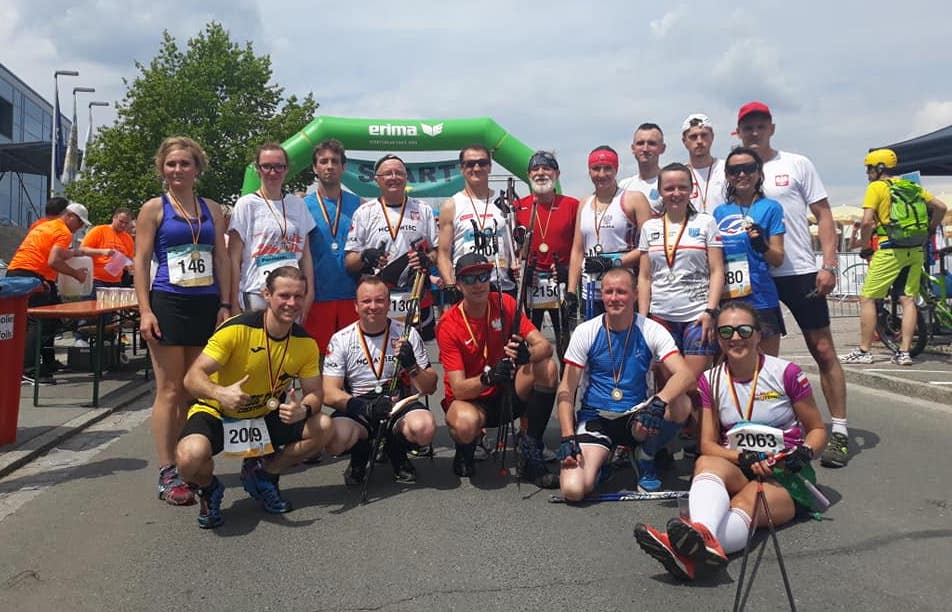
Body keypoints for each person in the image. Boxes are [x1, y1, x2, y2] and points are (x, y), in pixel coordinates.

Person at [634, 301, 827, 581]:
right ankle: (701, 539)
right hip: (740, 466)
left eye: (744, 330)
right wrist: (744, 458)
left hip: (784, 473)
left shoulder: (786, 373)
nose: (735, 338)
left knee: (748, 500)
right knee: (706, 462)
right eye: (726, 332)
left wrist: (805, 453)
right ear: (718, 338)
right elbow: (708, 445)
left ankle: (683, 549)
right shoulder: (710, 380)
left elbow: (817, 429)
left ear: (758, 335)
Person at [735, 101, 849, 468]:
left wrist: (828, 264)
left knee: (823, 349)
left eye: (760, 126)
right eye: (747, 127)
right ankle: (771, 430)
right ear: (739, 132)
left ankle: (839, 430)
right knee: (761, 359)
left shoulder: (797, 164)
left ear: (771, 128)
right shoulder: (735, 169)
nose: (754, 132)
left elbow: (824, 214)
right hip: (756, 275)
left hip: (799, 271)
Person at [176, 266, 333, 529]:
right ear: (267, 295)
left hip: (264, 415)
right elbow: (192, 377)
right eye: (284, 295)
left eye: (298, 296)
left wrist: (303, 410)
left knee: (323, 426)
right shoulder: (237, 329)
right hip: (219, 413)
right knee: (188, 458)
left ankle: (264, 475)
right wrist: (220, 393)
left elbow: (315, 393)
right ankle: (209, 489)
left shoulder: (305, 343)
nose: (291, 303)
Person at [134, 136, 231, 506]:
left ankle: (191, 459)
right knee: (171, 390)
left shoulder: (212, 209)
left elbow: (221, 258)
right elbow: (141, 262)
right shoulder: (153, 209)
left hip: (206, 304)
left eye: (185, 163)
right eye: (171, 164)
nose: (178, 170)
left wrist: (226, 303)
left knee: (196, 389)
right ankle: (167, 470)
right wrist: (146, 310)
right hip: (169, 303)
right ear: (163, 168)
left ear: (197, 168)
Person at [557, 267, 695, 501]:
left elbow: (685, 374)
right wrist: (567, 436)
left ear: (635, 294)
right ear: (601, 294)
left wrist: (659, 401)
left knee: (681, 402)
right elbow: (566, 389)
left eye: (621, 292)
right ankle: (603, 461)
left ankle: (646, 455)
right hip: (596, 417)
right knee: (573, 490)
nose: (614, 298)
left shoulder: (651, 329)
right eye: (608, 292)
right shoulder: (586, 331)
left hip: (637, 417)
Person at [436, 253, 560, 487]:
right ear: (459, 285)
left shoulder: (505, 303)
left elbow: (544, 346)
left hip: (506, 392)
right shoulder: (448, 324)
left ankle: (531, 448)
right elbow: (459, 389)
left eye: (483, 276)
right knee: (465, 424)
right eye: (469, 279)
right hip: (473, 399)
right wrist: (489, 377)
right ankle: (466, 448)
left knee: (547, 368)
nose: (478, 284)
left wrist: (527, 355)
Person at [636, 163, 724, 489]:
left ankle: (703, 451)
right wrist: (643, 319)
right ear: (661, 191)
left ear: (691, 190)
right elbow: (645, 277)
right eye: (669, 188)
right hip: (660, 317)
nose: (675, 193)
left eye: (681, 187)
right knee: (666, 390)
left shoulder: (706, 223)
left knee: (691, 387)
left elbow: (717, 270)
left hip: (697, 316)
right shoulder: (650, 227)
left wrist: (711, 310)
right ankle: (657, 449)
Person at [322, 277, 438, 485]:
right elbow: (329, 393)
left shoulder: (407, 333)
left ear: (388, 304)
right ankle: (361, 455)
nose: (373, 306)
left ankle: (396, 453)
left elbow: (430, 387)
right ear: (356, 306)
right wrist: (364, 408)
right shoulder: (341, 339)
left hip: (396, 401)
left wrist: (412, 366)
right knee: (334, 440)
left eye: (379, 300)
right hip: (359, 403)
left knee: (424, 427)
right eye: (366, 301)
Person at [840, 149, 946, 367]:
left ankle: (864, 351)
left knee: (868, 298)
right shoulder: (910, 186)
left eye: (869, 168)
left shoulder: (876, 187)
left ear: (879, 168)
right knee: (908, 300)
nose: (867, 173)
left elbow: (867, 221)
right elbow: (941, 207)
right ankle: (904, 353)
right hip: (914, 250)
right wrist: (930, 228)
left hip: (889, 249)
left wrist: (865, 245)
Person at [7, 202, 112, 381]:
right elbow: (54, 261)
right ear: (69, 216)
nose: (79, 227)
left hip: (20, 272)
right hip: (32, 276)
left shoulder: (46, 226)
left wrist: (96, 252)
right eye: (79, 222)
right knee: (38, 322)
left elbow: (66, 253)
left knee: (49, 321)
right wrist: (76, 274)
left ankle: (46, 362)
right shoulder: (63, 232)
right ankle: (28, 368)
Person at [345, 154, 438, 337]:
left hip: (414, 294)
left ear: (406, 177)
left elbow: (437, 252)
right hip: (377, 299)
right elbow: (350, 262)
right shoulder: (364, 212)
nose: (394, 177)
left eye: (399, 173)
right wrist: (365, 256)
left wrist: (426, 259)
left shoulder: (423, 209)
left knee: (417, 349)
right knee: (379, 348)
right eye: (388, 173)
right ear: (377, 179)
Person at [711, 148, 786, 356]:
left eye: (748, 168)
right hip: (728, 298)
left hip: (761, 297)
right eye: (734, 170)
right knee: (731, 363)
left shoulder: (771, 208)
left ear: (759, 172)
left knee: (766, 364)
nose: (742, 174)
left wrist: (762, 246)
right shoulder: (719, 212)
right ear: (727, 176)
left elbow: (778, 258)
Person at [228, 143, 315, 315]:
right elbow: (234, 257)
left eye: (278, 166)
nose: (272, 172)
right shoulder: (246, 204)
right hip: (257, 292)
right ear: (257, 169)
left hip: (291, 294)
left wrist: (309, 292)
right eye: (266, 166)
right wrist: (233, 301)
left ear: (286, 169)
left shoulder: (298, 204)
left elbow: (305, 255)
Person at [566, 146, 650, 320]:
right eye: (596, 169)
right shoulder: (584, 203)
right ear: (589, 171)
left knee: (622, 336)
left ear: (616, 169)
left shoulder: (633, 199)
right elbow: (578, 249)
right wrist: (571, 291)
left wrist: (613, 263)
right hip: (591, 291)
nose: (602, 174)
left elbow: (649, 246)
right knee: (594, 336)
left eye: (608, 168)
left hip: (622, 289)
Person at [512, 151, 580, 358]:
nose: (540, 173)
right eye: (535, 169)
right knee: (530, 343)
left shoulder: (572, 205)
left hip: (561, 281)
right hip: (532, 284)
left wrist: (567, 272)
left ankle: (567, 379)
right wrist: (521, 268)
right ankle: (535, 378)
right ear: (528, 175)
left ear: (557, 173)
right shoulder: (519, 207)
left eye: (546, 168)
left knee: (565, 341)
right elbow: (515, 249)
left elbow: (580, 247)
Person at [302, 139, 362, 353]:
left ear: (343, 167)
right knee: (317, 362)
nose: (329, 166)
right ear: (314, 168)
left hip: (352, 297)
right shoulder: (302, 207)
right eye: (323, 161)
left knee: (354, 361)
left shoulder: (360, 205)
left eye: (335, 161)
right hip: (316, 298)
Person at [437, 144, 517, 303]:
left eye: (482, 163)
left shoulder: (505, 203)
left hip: (503, 287)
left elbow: (516, 248)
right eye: (470, 164)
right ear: (462, 168)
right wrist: (451, 285)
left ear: (490, 167)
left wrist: (518, 262)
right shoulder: (451, 205)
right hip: (468, 287)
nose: (477, 168)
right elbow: (443, 253)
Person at [680, 114, 727, 215]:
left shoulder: (726, 169)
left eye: (704, 135)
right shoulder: (679, 175)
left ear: (712, 137)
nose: (699, 141)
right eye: (693, 137)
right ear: (684, 141)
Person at [619, 122, 666, 213]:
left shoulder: (669, 184)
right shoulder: (623, 186)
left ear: (662, 148)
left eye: (651, 143)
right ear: (633, 148)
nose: (645, 149)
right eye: (640, 143)